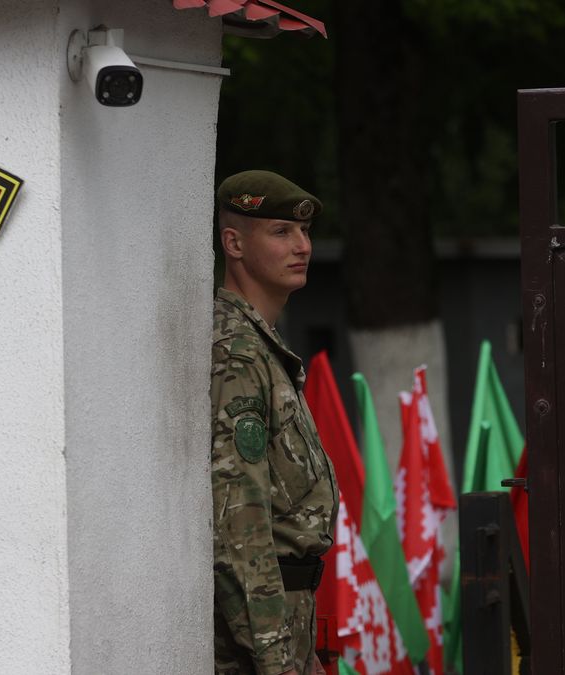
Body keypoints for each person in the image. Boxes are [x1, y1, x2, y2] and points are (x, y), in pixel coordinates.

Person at [211, 170, 340, 675]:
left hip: (288, 619)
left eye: (305, 232)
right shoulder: (236, 354)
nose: (302, 245)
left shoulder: (260, 347)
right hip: (257, 635)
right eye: (281, 232)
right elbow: (237, 523)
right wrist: (276, 660)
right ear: (234, 243)